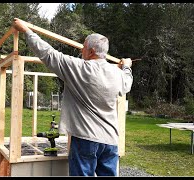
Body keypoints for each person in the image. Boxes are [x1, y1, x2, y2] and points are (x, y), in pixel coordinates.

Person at [12, 18, 133, 176]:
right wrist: (126, 67)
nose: (82, 50)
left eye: (84, 47)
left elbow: (48, 54)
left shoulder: (79, 68)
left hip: (86, 139)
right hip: (110, 141)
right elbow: (128, 82)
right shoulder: (118, 73)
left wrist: (27, 31)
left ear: (91, 52)